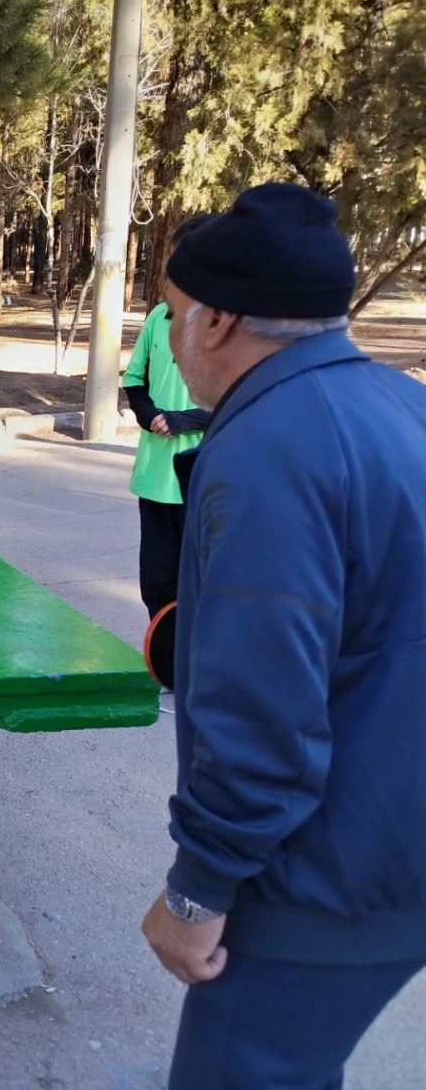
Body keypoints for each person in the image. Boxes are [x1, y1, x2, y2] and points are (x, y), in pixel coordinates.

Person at [140, 182, 426, 1090]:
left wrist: (198, 888)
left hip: (325, 877)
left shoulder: (268, 448)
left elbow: (261, 703)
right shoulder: (402, 403)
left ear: (219, 320)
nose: (168, 338)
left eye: (173, 314)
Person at [122, 215, 215, 618]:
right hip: (156, 475)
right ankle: (162, 653)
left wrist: (184, 420)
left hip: (205, 481)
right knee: (157, 583)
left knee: (201, 585)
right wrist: (149, 416)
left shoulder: (231, 327)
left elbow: (245, 398)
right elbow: (134, 379)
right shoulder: (158, 318)